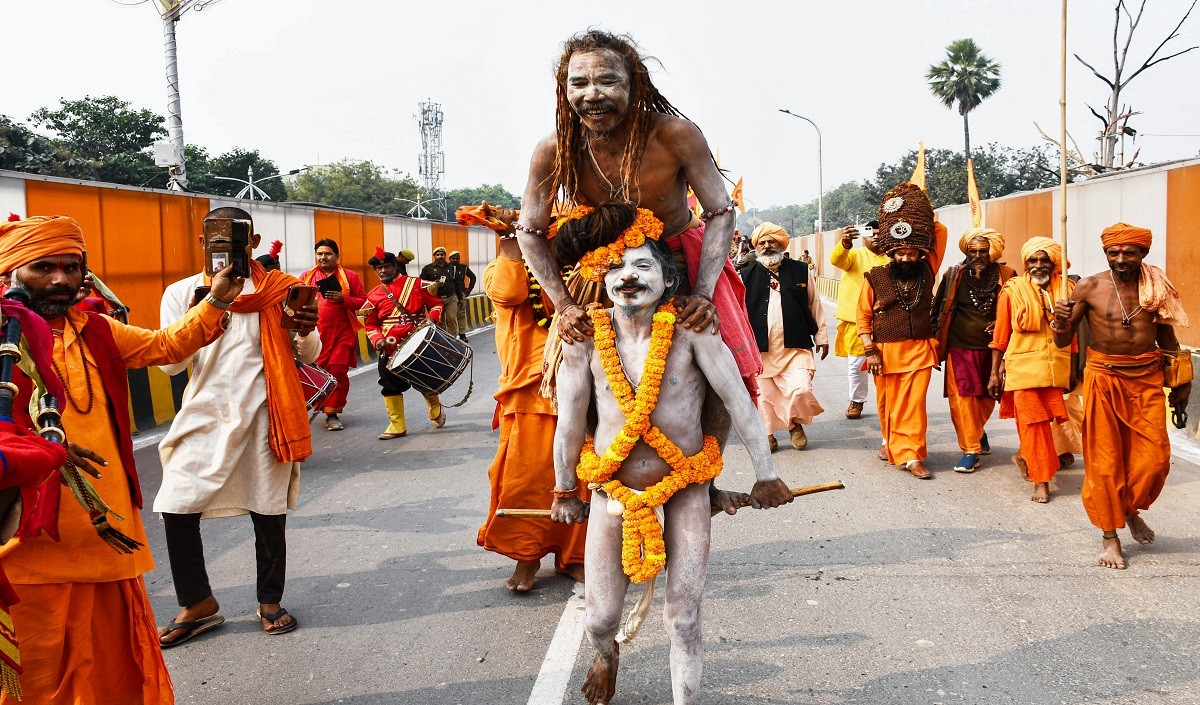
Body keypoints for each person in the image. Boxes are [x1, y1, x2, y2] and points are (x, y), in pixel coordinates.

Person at [0, 215, 241, 703]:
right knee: (33, 672)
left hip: (102, 528)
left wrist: (216, 299)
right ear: (10, 274)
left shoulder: (98, 330)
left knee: (110, 667)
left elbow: (164, 345)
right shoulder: (5, 339)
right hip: (24, 538)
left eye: (71, 267)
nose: (60, 280)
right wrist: (42, 450)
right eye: (43, 267)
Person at [551, 233, 791, 705]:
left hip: (685, 487)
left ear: (669, 279)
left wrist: (765, 473)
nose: (629, 277)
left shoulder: (693, 332)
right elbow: (569, 421)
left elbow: (737, 401)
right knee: (600, 619)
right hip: (611, 490)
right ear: (602, 280)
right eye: (618, 268)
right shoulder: (584, 340)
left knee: (683, 615)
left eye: (643, 266)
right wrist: (564, 491)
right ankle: (605, 656)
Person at [513, 30, 759, 402]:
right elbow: (529, 231)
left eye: (607, 81)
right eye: (578, 83)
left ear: (634, 84)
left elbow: (721, 211)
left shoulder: (676, 135)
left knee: (718, 387)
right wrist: (564, 306)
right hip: (601, 276)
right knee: (582, 394)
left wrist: (704, 294)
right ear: (564, 91)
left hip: (682, 270)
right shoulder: (554, 149)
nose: (592, 95)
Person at [156, 206, 320, 646]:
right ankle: (198, 602)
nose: (224, 244)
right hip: (204, 415)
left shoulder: (282, 289)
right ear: (202, 243)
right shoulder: (183, 292)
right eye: (215, 237)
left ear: (253, 241)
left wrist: (305, 328)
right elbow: (172, 366)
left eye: (235, 236)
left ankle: (270, 600)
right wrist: (202, 313)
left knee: (268, 511)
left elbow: (307, 355)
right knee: (176, 504)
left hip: (267, 414)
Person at [1051, 222, 1190, 569]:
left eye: (1129, 251)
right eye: (1114, 252)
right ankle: (1110, 536)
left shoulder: (1155, 286)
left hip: (1146, 379)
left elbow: (1169, 342)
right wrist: (1059, 320)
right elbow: (1060, 342)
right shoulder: (1089, 286)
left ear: (1143, 252)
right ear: (1106, 254)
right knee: (1105, 461)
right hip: (1103, 377)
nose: (1121, 258)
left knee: (1155, 460)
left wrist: (1182, 386)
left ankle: (1129, 508)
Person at [472, 206, 587, 591]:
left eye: (553, 232)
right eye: (539, 232)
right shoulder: (503, 266)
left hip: (583, 383)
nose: (548, 238)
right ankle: (527, 556)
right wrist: (510, 244)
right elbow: (510, 293)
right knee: (529, 478)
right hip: (530, 390)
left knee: (584, 476)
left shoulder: (583, 270)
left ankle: (575, 555)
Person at [858, 183, 939, 479]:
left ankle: (911, 455)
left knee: (914, 405)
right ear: (892, 252)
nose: (906, 258)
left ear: (921, 252)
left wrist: (915, 213)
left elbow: (939, 234)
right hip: (885, 352)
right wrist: (871, 351)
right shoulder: (876, 277)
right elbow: (863, 318)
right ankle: (891, 441)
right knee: (887, 404)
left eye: (912, 252)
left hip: (920, 350)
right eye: (901, 253)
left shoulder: (928, 268)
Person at [987, 237, 1072, 503]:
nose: (1038, 266)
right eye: (1032, 261)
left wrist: (1076, 368)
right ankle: (1041, 480)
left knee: (1050, 424)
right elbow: (1000, 336)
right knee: (1032, 425)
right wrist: (994, 373)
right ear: (1025, 264)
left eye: (1043, 260)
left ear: (1053, 262)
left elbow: (1076, 335)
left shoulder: (1068, 289)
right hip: (1023, 370)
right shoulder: (1013, 290)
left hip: (1057, 368)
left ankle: (1027, 456)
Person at [933, 226, 1016, 472]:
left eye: (983, 251)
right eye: (973, 251)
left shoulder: (1008, 275)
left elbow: (1017, 307)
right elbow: (938, 311)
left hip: (994, 349)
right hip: (959, 346)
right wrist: (934, 346)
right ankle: (970, 449)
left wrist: (1002, 322)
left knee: (987, 397)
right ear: (966, 251)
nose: (978, 256)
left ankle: (977, 431)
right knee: (962, 399)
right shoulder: (953, 275)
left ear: (992, 252)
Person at [741, 222, 827, 451]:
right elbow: (737, 313)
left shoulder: (800, 270)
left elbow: (814, 304)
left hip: (795, 348)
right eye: (762, 242)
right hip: (760, 351)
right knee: (765, 397)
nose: (768, 246)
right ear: (756, 247)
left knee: (800, 389)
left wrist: (822, 337)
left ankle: (795, 424)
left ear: (781, 244)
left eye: (772, 242)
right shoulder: (745, 275)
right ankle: (767, 434)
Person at [361, 247, 447, 440]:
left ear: (394, 266)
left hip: (417, 341)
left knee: (425, 379)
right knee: (389, 384)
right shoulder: (373, 295)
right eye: (379, 268)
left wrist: (432, 320)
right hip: (390, 347)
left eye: (386, 266)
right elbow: (371, 325)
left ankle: (435, 405)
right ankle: (397, 424)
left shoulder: (416, 284)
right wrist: (377, 340)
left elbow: (436, 305)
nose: (383, 271)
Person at [300, 239, 367, 431]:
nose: (323, 257)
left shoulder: (349, 276)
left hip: (342, 334)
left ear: (337, 256)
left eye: (328, 253)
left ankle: (332, 413)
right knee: (316, 374)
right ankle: (317, 406)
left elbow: (363, 302)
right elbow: (296, 299)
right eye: (320, 254)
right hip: (315, 335)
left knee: (337, 371)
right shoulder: (306, 276)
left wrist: (343, 299)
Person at [830, 220, 888, 420]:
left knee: (888, 364)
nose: (876, 236)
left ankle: (889, 401)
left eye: (880, 233)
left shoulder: (895, 257)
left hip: (888, 320)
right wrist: (845, 242)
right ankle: (857, 400)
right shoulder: (854, 255)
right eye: (871, 233)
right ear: (863, 236)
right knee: (857, 365)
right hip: (857, 321)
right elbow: (836, 260)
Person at [421, 247, 460, 337]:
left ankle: (453, 339)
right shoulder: (428, 269)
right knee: (439, 321)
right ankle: (443, 339)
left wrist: (460, 298)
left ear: (445, 256)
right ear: (434, 256)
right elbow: (421, 284)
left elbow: (457, 283)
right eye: (437, 255)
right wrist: (434, 284)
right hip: (436, 300)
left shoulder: (452, 268)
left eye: (442, 255)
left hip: (451, 298)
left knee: (451, 318)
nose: (440, 257)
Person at [449, 250, 477, 342]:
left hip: (461, 294)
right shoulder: (446, 268)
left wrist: (469, 290)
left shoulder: (463, 268)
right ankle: (450, 335)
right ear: (449, 259)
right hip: (450, 295)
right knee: (451, 316)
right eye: (453, 259)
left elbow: (473, 277)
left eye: (457, 258)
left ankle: (462, 334)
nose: (455, 260)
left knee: (461, 315)